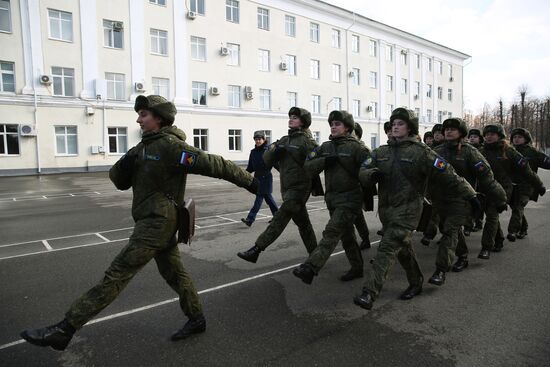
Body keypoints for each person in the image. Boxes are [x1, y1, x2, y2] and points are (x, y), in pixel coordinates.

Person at [20, 95, 257, 351]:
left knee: (117, 273)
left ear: (159, 118)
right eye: (139, 114)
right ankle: (196, 318)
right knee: (175, 274)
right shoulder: (143, 148)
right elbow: (118, 180)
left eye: (144, 114)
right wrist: (129, 160)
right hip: (152, 221)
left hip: (157, 223)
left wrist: (252, 183)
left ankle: (65, 329)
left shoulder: (171, 147)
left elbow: (216, 164)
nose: (138, 119)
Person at [353, 108, 476, 310]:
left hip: (409, 212)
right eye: (393, 124)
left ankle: (369, 292)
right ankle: (416, 281)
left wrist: (471, 195)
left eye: (400, 124)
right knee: (403, 249)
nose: (395, 127)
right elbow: (363, 169)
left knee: (387, 248)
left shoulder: (422, 152)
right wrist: (370, 175)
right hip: (387, 211)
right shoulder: (381, 152)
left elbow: (450, 175)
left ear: (410, 128)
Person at [292, 111, 370, 284]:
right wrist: (325, 162)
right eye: (332, 124)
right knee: (347, 236)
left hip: (350, 199)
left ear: (347, 127)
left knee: (331, 232)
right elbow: (308, 167)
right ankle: (357, 268)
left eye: (338, 124)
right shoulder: (326, 147)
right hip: (332, 199)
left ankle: (311, 267)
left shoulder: (357, 148)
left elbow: (370, 170)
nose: (333, 127)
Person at [237, 107, 318, 263]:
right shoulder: (285, 139)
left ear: (303, 122)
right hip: (287, 188)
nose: (291, 119)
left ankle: (256, 249)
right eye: (290, 116)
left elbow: (314, 166)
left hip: (299, 189)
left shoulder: (307, 142)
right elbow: (266, 158)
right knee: (304, 225)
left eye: (295, 117)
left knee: (279, 219)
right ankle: (315, 257)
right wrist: (276, 151)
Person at [431, 118, 505, 279]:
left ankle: (441, 270)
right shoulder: (437, 151)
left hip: (463, 199)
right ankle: (463, 256)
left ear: (461, 133)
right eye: (447, 129)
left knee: (450, 231)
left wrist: (500, 198)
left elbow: (487, 178)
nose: (449, 131)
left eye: (453, 129)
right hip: (441, 200)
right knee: (449, 229)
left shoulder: (470, 152)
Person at [478, 124, 544, 258]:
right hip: (484, 188)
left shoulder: (509, 152)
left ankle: (486, 247)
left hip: (503, 189)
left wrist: (539, 185)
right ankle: (498, 239)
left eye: (492, 134)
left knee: (492, 215)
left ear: (500, 136)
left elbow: (527, 171)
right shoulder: (480, 151)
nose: (489, 136)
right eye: (487, 134)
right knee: (490, 215)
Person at [507, 128, 549, 240]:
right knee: (515, 207)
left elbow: (547, 162)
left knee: (518, 206)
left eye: (520, 137)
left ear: (526, 139)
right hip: (512, 185)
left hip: (527, 185)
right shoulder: (509, 151)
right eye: (514, 137)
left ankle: (512, 231)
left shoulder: (532, 152)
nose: (516, 139)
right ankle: (523, 228)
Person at [241, 131, 278, 227]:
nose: (257, 141)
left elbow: (276, 164)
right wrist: (242, 174)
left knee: (259, 199)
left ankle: (250, 219)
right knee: (269, 199)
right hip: (257, 178)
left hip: (266, 178)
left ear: (264, 140)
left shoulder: (268, 150)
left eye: (259, 139)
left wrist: (285, 173)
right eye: (256, 139)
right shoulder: (253, 152)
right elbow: (250, 167)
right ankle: (278, 217)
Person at [352, 122, 372, 250]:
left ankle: (360, 242)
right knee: (357, 216)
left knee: (353, 217)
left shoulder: (362, 149)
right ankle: (365, 238)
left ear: (358, 135)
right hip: (346, 188)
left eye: (352, 132)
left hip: (357, 187)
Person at [467, 128, 485, 232]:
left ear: (480, 139)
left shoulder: (483, 149)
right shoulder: (466, 149)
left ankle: (478, 221)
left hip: (481, 180)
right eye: (471, 137)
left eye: (475, 137)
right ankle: (470, 222)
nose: (472, 139)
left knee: (480, 201)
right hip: (471, 178)